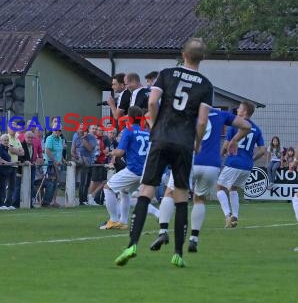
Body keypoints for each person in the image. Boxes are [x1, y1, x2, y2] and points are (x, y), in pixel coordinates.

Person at [114, 38, 214, 268]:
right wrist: (197, 142)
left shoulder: (167, 74)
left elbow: (152, 102)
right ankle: (178, 253)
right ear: (203, 58)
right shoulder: (206, 85)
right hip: (184, 143)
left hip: (160, 138)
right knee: (180, 195)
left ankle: (132, 244)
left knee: (146, 190)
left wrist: (157, 125)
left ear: (183, 54)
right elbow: (201, 121)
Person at [150, 108, 251, 253]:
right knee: (199, 198)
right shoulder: (221, 114)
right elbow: (246, 125)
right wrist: (234, 140)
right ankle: (193, 239)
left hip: (188, 159)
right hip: (211, 165)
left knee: (170, 193)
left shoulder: (185, 112)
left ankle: (163, 231)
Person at [216, 102, 266, 228]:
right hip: (247, 166)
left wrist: (221, 155)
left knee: (219, 187)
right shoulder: (257, 129)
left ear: (245, 112)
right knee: (233, 189)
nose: (237, 109)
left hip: (233, 162)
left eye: (240, 108)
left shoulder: (235, 126)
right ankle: (235, 217)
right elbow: (263, 150)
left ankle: (228, 215)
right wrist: (252, 159)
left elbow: (226, 145)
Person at [101, 107, 151, 230]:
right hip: (144, 170)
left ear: (129, 117)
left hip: (133, 169)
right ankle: (123, 221)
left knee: (108, 188)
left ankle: (113, 219)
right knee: (125, 191)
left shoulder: (128, 130)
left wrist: (111, 152)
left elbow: (120, 152)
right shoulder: (146, 131)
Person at [71, 123, 96, 205]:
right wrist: (77, 156)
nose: (81, 130)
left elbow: (90, 149)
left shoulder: (91, 138)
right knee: (75, 181)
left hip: (87, 161)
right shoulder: (75, 136)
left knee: (84, 182)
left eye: (83, 129)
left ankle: (83, 200)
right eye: (80, 129)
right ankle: (74, 198)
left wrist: (83, 139)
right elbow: (72, 150)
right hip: (78, 159)